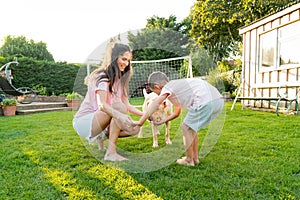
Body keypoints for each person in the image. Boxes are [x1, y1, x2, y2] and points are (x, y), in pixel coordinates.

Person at [135, 71, 224, 166]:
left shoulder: (167, 88)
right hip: (217, 100)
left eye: (155, 92)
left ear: (157, 86)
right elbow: (176, 113)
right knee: (192, 128)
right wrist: (163, 121)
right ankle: (195, 158)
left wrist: (140, 122)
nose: (157, 95)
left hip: (205, 100)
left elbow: (156, 103)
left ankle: (189, 160)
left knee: (186, 127)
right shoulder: (177, 89)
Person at [73, 42, 143, 162]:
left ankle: (102, 137)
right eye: (123, 59)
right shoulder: (103, 76)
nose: (126, 64)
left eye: (128, 60)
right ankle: (110, 153)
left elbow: (127, 104)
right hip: (85, 121)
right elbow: (102, 105)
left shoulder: (120, 80)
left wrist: (146, 115)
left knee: (135, 128)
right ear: (114, 57)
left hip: (101, 119)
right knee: (119, 108)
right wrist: (120, 115)